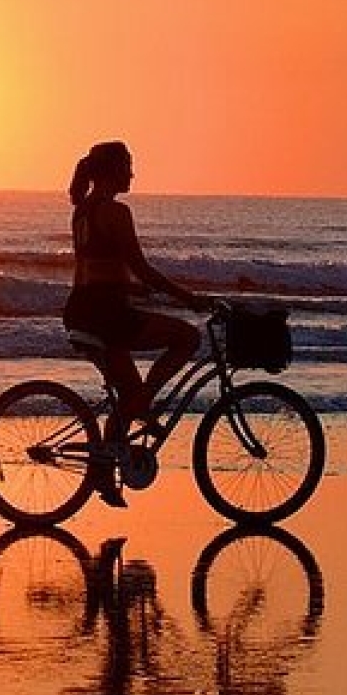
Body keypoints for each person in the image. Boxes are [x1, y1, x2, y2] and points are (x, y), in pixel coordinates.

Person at [63, 141, 207, 506]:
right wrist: (188, 298)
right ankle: (144, 405)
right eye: (127, 166)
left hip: (83, 309)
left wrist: (132, 289)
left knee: (126, 393)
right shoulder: (115, 211)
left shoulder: (82, 211)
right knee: (187, 338)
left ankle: (103, 474)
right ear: (113, 171)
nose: (132, 173)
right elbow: (140, 266)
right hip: (107, 314)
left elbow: (95, 269)